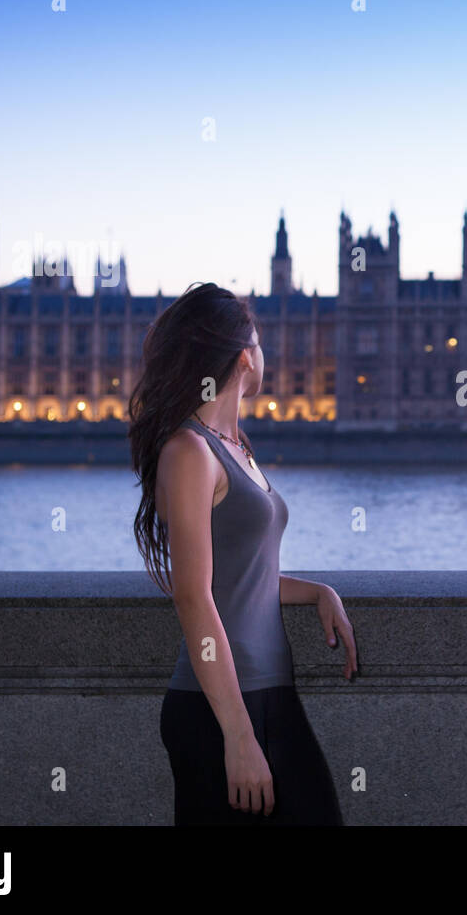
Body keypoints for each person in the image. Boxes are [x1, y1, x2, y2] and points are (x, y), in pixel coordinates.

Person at [128, 281, 356, 825]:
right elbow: (192, 595)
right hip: (220, 706)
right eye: (258, 340)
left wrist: (317, 592)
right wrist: (237, 735)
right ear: (240, 356)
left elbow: (239, 573)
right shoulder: (190, 451)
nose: (266, 352)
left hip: (269, 693)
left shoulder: (235, 446)